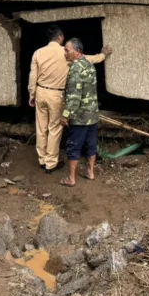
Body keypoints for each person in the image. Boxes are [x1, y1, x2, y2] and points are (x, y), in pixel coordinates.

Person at [28, 25, 111, 174]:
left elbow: (33, 75)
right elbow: (87, 59)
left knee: (41, 128)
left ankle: (42, 160)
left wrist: (32, 94)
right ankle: (50, 163)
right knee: (54, 129)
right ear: (60, 37)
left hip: (41, 92)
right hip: (56, 95)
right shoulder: (67, 53)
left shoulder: (38, 53)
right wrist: (102, 55)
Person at [60, 38, 100, 187]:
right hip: (92, 114)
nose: (64, 53)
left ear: (77, 52)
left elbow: (74, 96)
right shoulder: (89, 64)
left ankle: (71, 178)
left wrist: (65, 115)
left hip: (80, 116)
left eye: (67, 50)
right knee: (91, 143)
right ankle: (90, 171)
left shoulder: (76, 69)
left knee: (73, 145)